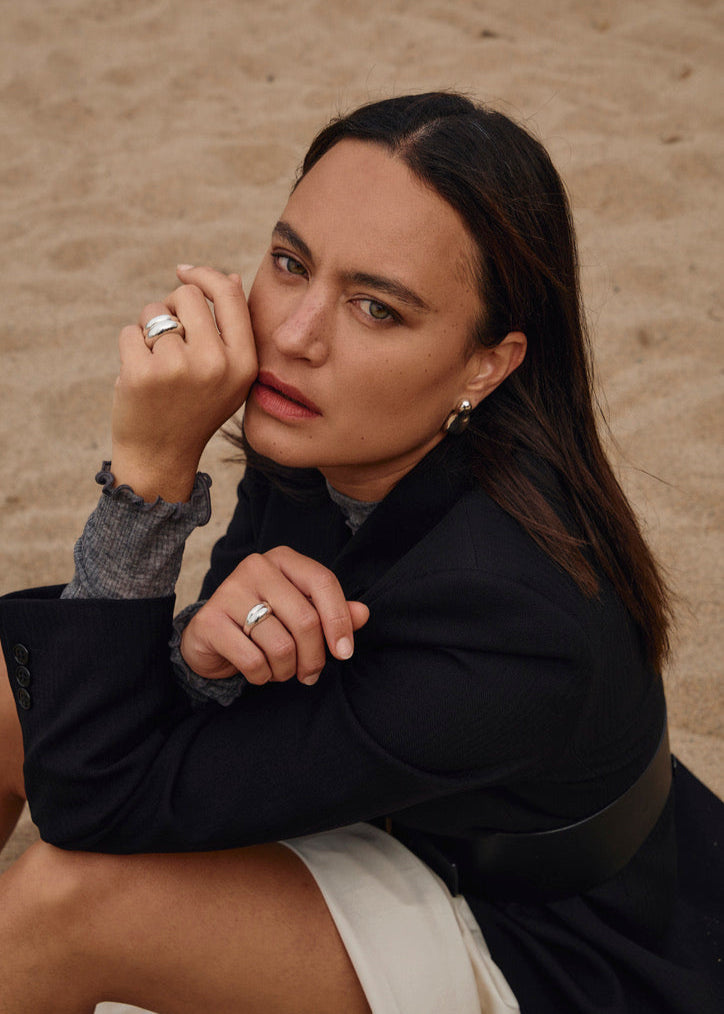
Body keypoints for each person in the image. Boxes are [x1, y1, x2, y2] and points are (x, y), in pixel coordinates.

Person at [0, 92, 720, 1014]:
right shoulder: (337, 436)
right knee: (10, 688)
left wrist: (149, 477)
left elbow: (92, 801)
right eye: (291, 263)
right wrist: (196, 657)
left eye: (377, 308)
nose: (294, 336)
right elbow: (180, 722)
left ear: (487, 365)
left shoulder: (512, 610)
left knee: (68, 905)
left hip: (533, 933)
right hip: (373, 792)